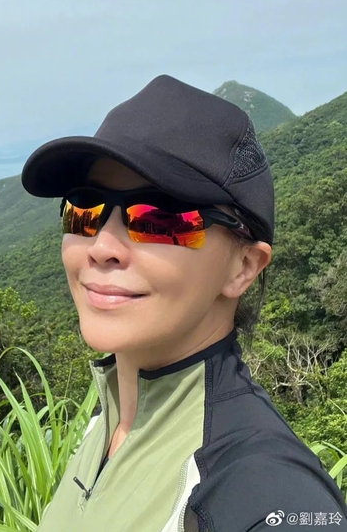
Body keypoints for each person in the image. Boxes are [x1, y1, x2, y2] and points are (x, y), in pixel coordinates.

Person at [21, 75, 347, 532]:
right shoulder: (107, 422)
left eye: (160, 219)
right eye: (84, 210)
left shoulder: (260, 488)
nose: (101, 247)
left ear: (243, 267)